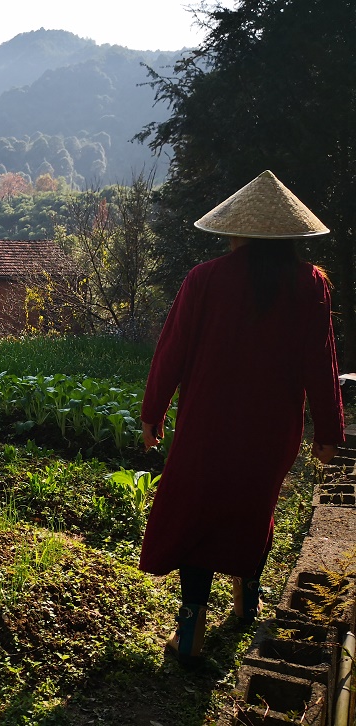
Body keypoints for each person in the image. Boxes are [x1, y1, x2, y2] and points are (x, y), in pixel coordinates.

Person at [139, 170, 345, 665]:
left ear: (238, 230)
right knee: (254, 508)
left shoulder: (205, 279)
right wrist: (329, 430)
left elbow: (173, 351)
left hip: (207, 423)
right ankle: (247, 599)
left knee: (199, 510)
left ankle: (189, 632)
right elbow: (322, 361)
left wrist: (154, 413)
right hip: (270, 428)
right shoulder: (310, 284)